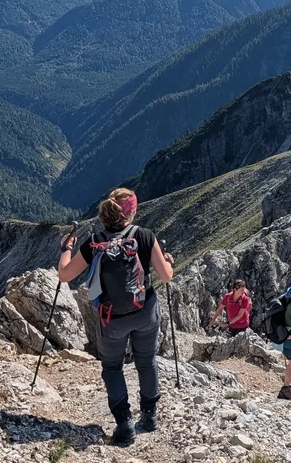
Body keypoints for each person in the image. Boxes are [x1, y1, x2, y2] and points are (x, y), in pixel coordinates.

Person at [58, 187, 174, 447]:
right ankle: (149, 416)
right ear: (132, 210)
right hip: (144, 312)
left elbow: (65, 275)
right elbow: (166, 276)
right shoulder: (144, 236)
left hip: (111, 320)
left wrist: (66, 248)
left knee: (112, 367)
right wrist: (168, 261)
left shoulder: (94, 241)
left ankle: (124, 424)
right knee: (146, 361)